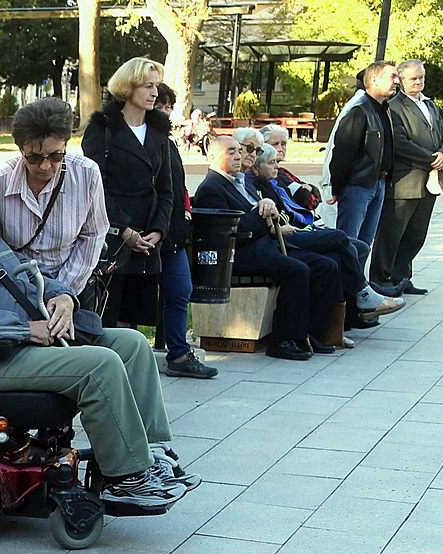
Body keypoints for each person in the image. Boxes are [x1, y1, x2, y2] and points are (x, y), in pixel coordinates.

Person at [0, 151, 195, 511]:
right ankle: (128, 478)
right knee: (99, 365)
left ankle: (153, 454)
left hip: (17, 348)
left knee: (132, 344)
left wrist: (63, 298)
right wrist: (27, 330)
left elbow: (32, 277)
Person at [195, 136, 343, 361]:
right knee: (297, 270)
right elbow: (230, 232)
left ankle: (310, 333)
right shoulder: (211, 187)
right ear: (213, 157)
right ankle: (282, 340)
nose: (238, 156)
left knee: (326, 266)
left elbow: (259, 214)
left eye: (238, 151)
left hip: (265, 244)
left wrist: (268, 212)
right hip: (237, 255)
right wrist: (262, 212)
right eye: (231, 152)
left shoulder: (239, 181)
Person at [251, 143, 380, 345]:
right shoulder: (252, 183)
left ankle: (332, 329)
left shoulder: (274, 180)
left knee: (338, 257)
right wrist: (276, 227)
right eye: (271, 162)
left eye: (277, 160)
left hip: (294, 230)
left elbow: (306, 200)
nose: (277, 165)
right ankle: (362, 294)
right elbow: (253, 217)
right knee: (338, 238)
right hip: (281, 238)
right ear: (255, 167)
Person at [82, 57, 174, 330]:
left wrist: (158, 230)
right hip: (112, 235)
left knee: (133, 319)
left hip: (147, 238)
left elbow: (166, 187)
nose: (155, 93)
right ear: (128, 87)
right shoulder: (104, 128)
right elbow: (94, 185)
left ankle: (129, 367)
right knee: (106, 315)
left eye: (156, 86)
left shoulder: (159, 132)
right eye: (147, 86)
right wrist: (123, 230)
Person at [0, 99, 110, 295]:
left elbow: (93, 234)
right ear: (21, 150)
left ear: (66, 145)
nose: (45, 166)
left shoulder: (87, 174)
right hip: (16, 288)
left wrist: (62, 292)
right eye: (34, 157)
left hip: (70, 283)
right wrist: (23, 291)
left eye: (55, 155)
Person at [152, 84, 216, 379]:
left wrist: (186, 211)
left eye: (167, 106)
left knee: (180, 290)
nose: (164, 110)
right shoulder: (143, 142)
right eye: (159, 104)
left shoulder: (169, 143)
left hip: (173, 232)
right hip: (144, 231)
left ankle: (177, 351)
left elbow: (177, 187)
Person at [373, 59, 443, 297]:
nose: (418, 82)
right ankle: (381, 281)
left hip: (430, 182)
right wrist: (430, 158)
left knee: (416, 235)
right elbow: (399, 142)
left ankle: (402, 276)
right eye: (413, 79)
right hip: (405, 181)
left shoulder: (432, 105)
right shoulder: (394, 107)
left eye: (421, 78)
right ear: (401, 79)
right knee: (391, 235)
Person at [325, 61, 398, 277]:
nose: (396, 81)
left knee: (365, 243)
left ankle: (357, 287)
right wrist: (337, 188)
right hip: (357, 186)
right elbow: (342, 153)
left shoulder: (384, 110)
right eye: (391, 76)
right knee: (348, 242)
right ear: (374, 80)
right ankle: (341, 293)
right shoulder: (358, 111)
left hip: (378, 184)